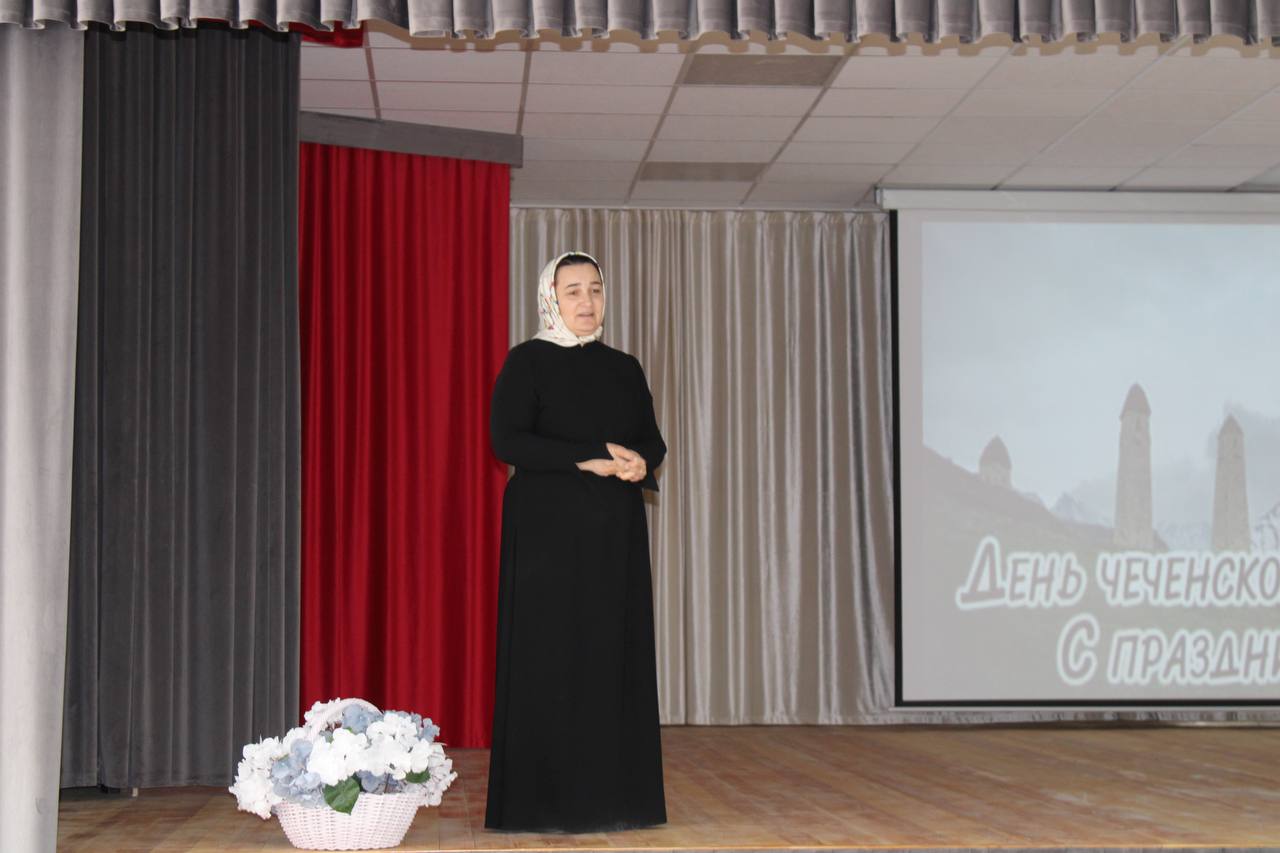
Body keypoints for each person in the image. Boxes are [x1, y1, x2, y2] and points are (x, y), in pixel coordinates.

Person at [483, 250, 668, 833]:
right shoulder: (527, 361)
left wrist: (640, 463)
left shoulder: (625, 367)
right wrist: (585, 458)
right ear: (550, 299)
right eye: (573, 291)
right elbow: (507, 441)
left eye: (595, 289)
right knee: (551, 659)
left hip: (614, 538)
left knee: (611, 657)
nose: (587, 301)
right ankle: (543, 803)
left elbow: (652, 441)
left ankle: (618, 801)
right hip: (546, 539)